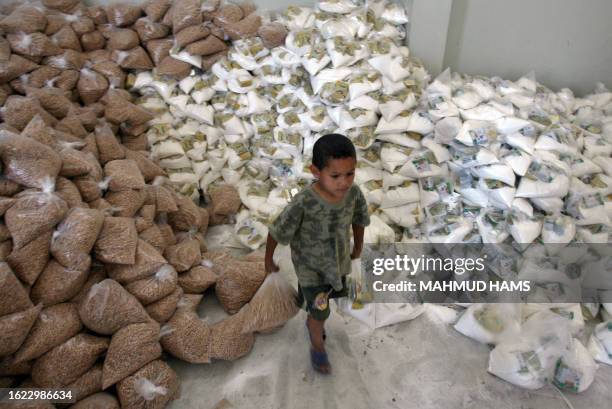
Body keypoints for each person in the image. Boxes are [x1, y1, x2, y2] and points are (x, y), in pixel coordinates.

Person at [264, 133, 370, 374]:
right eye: (335, 175)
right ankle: (317, 345)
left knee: (325, 302)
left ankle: (314, 316)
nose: (343, 182)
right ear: (315, 171)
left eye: (350, 173)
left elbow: (359, 219)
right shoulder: (304, 202)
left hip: (338, 263)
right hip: (311, 270)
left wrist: (358, 246)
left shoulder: (353, 194)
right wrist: (268, 259)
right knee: (320, 312)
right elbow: (277, 230)